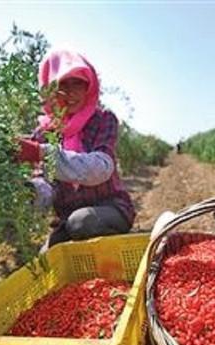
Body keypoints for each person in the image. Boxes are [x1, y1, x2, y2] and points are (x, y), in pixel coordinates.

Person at [17, 50, 135, 249]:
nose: (71, 92)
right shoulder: (44, 132)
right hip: (68, 221)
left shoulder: (103, 120)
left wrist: (40, 153)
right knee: (47, 257)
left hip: (110, 209)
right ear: (49, 89)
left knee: (81, 222)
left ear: (89, 86)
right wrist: (30, 191)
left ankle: (116, 249)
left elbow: (101, 168)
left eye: (78, 83)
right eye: (62, 84)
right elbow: (46, 183)